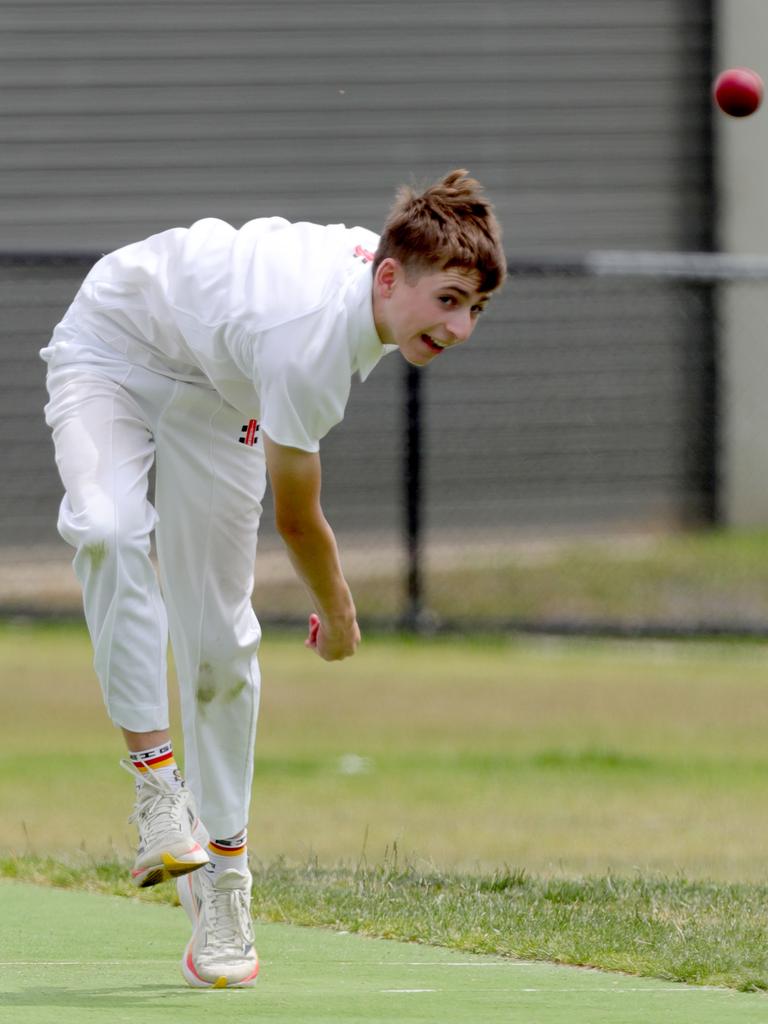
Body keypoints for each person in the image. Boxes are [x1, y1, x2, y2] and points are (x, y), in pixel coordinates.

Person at [41, 169, 506, 988]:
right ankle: (155, 788)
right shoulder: (311, 342)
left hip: (223, 401)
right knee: (109, 529)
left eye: (475, 307)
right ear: (389, 278)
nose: (462, 327)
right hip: (115, 347)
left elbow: (290, 504)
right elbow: (298, 519)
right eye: (450, 301)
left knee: (219, 642)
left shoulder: (379, 275)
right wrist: (340, 612)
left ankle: (223, 882)